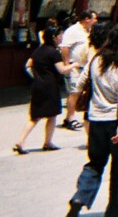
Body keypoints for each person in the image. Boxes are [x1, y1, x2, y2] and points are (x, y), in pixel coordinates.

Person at [66, 23, 118, 217]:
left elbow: (79, 84)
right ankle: (114, 209)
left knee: (95, 162)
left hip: (96, 119)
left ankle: (81, 196)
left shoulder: (96, 60)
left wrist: (71, 110)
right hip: (116, 121)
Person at [14, 25, 74, 154]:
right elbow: (62, 70)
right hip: (50, 86)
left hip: (38, 86)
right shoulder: (54, 53)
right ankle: (47, 142)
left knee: (34, 116)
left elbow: (28, 65)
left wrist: (35, 76)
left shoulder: (38, 51)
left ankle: (20, 141)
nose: (61, 38)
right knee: (51, 115)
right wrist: (74, 65)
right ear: (53, 37)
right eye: (59, 36)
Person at [60, 10, 99, 131]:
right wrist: (67, 63)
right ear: (87, 19)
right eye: (94, 18)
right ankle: (70, 118)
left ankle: (71, 116)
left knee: (82, 92)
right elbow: (65, 47)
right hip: (75, 66)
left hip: (85, 66)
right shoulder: (73, 31)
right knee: (75, 92)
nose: (96, 21)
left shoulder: (89, 31)